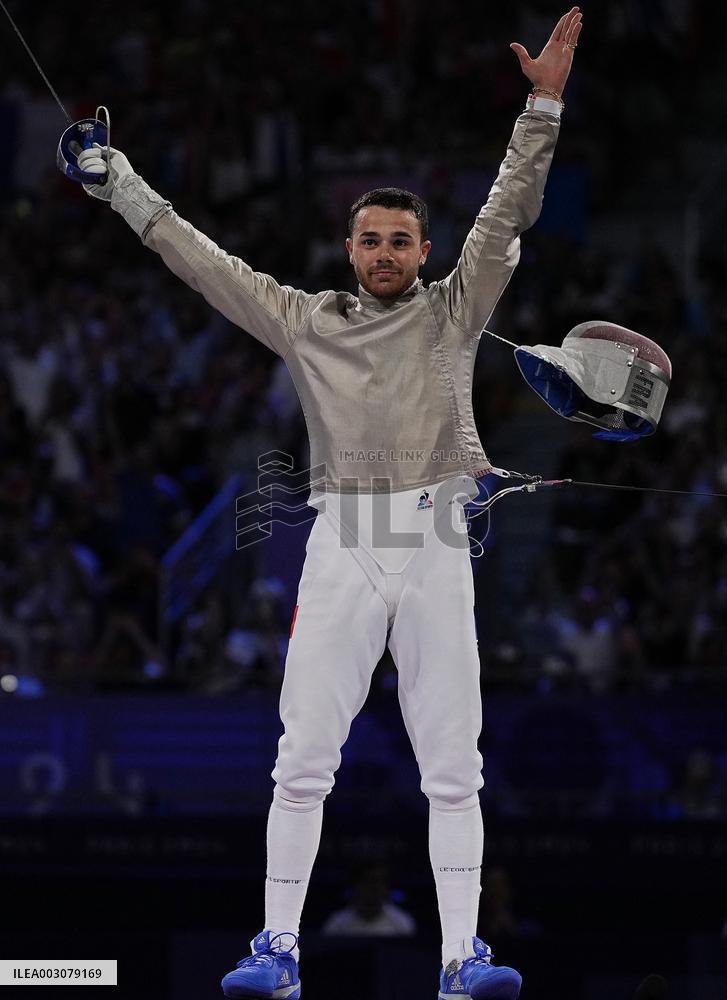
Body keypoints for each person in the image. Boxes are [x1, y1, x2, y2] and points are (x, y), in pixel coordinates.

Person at [77, 8, 583, 998]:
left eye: (402, 239)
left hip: (436, 542)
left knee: (455, 768)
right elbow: (197, 257)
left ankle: (459, 957)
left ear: (424, 248)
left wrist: (545, 102)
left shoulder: (453, 306)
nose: (386, 252)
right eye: (371, 240)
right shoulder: (305, 322)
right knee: (302, 755)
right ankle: (275, 948)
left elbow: (510, 206)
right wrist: (116, 182)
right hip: (343, 543)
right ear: (348, 249)